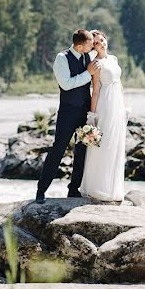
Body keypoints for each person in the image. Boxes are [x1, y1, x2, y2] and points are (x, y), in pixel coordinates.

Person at [35, 29, 100, 204]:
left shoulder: (88, 55)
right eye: (89, 44)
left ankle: (73, 190)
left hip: (84, 113)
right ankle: (41, 191)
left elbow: (100, 47)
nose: (92, 46)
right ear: (79, 46)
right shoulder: (62, 58)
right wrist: (88, 74)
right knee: (57, 150)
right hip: (67, 112)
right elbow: (66, 84)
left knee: (82, 151)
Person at [79, 30, 126, 202]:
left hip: (117, 103)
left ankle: (114, 188)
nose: (102, 43)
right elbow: (96, 90)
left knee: (117, 143)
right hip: (105, 104)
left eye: (103, 40)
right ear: (94, 46)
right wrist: (92, 115)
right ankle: (98, 187)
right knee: (104, 144)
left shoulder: (113, 59)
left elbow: (119, 84)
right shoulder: (96, 64)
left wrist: (124, 106)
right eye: (97, 42)